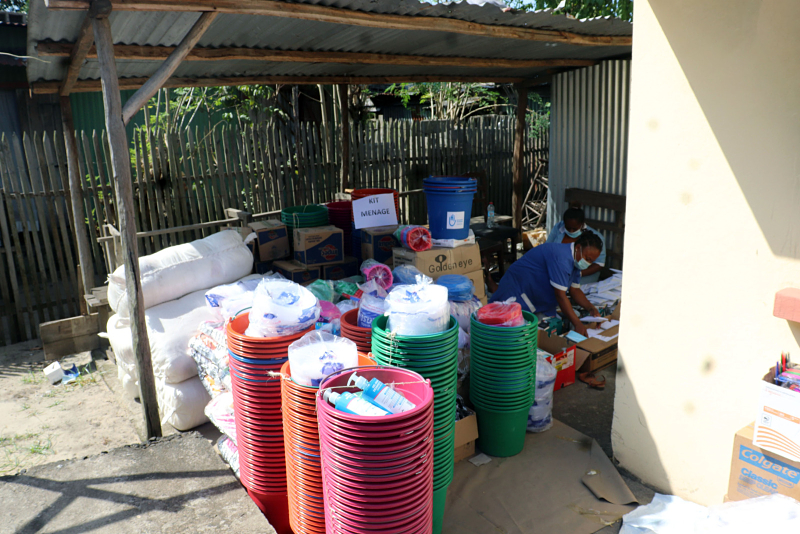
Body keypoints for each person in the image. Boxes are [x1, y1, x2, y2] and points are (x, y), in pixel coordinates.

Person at [488, 230, 603, 336]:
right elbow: (560, 295)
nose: (588, 263)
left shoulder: (575, 261)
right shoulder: (561, 258)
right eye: (587, 259)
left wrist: (590, 308)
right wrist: (577, 324)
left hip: (537, 296)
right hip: (518, 288)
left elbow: (575, 290)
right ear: (578, 247)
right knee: (505, 326)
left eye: (591, 261)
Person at [547, 207, 606, 284]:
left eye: (574, 229)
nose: (571, 231)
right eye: (568, 228)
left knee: (571, 289)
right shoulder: (558, 227)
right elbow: (548, 248)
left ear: (582, 224)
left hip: (584, 276)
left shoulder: (596, 238)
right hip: (559, 272)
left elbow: (599, 264)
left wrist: (577, 274)